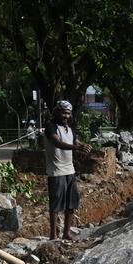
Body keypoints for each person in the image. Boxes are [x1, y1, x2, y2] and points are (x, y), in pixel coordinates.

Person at [44, 100, 90, 241]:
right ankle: (53, 236)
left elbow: (76, 142)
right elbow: (57, 143)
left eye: (68, 113)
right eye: (63, 113)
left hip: (70, 170)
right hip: (56, 171)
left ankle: (66, 233)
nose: (66, 116)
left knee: (71, 202)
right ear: (57, 112)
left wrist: (84, 146)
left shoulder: (69, 129)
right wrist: (77, 148)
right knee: (56, 204)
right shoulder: (51, 127)